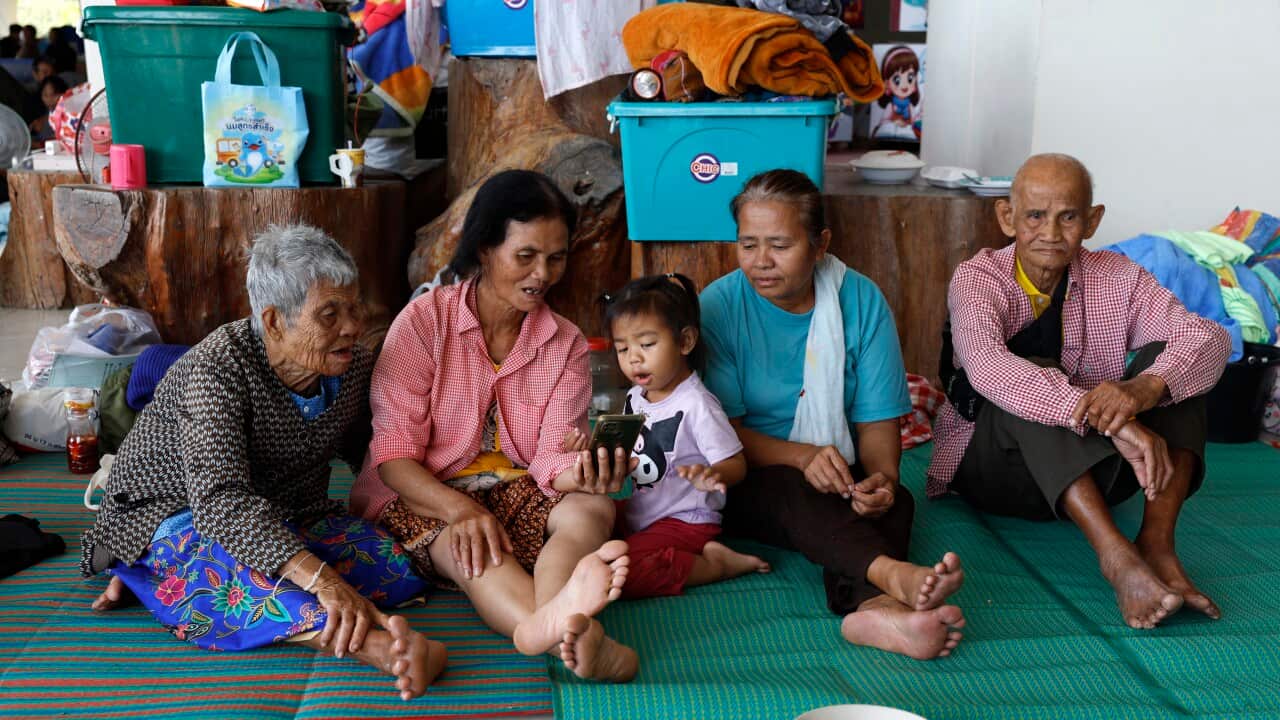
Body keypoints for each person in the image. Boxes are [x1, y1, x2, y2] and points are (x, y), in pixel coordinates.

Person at [82, 225, 445, 700]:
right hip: (174, 514)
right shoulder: (216, 369)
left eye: (354, 308)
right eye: (330, 314)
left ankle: (156, 583)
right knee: (224, 581)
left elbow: (371, 451)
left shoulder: (351, 366)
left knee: (394, 564)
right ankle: (383, 650)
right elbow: (220, 503)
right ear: (273, 321)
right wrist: (322, 579)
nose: (352, 327)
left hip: (286, 513)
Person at [350, 169, 639, 682]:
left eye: (556, 258)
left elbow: (550, 461)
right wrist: (461, 510)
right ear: (484, 248)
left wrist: (584, 473)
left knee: (592, 507)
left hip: (516, 487)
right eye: (525, 255)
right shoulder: (422, 324)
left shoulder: (565, 343)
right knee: (475, 546)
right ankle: (566, 631)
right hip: (426, 493)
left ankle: (552, 620)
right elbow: (394, 459)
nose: (542, 274)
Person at [928, 153, 1231, 629]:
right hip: (996, 470)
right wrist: (1111, 419)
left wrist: (1145, 389)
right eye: (1034, 215)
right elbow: (988, 368)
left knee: (1176, 368)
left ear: (1092, 221)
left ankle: (1156, 545)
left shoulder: (1118, 276)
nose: (1050, 232)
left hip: (1100, 468)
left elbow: (1210, 338)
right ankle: (1118, 559)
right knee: (1028, 375)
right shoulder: (977, 278)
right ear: (1007, 217)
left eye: (1068, 217)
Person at [700, 169, 965, 660]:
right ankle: (890, 577)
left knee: (895, 501)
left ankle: (873, 611)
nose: (761, 261)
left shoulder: (859, 299)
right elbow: (722, 436)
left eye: (780, 245)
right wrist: (802, 457)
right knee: (794, 490)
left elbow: (876, 423)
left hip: (836, 467)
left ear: (820, 244)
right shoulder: (719, 307)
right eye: (748, 245)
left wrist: (882, 481)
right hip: (742, 474)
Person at [569, 273, 771, 600]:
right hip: (641, 512)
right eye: (622, 348)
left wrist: (713, 474)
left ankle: (715, 565)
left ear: (685, 341)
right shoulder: (635, 396)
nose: (634, 358)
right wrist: (588, 452)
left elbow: (736, 462)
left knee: (619, 575)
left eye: (647, 344)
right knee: (581, 531)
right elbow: (622, 455)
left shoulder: (697, 405)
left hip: (685, 521)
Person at [29, 74, 66, 142]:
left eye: (53, 95)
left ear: (63, 93)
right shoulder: (46, 114)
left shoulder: (68, 115)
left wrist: (37, 144)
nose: (49, 99)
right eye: (45, 95)